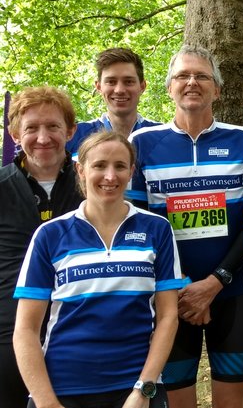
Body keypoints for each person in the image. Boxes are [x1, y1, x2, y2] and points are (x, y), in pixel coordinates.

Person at [127, 46, 243, 408]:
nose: (192, 82)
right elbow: (139, 228)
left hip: (232, 290)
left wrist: (214, 283)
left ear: (217, 90)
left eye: (202, 76)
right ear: (169, 87)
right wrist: (186, 288)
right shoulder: (142, 144)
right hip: (171, 296)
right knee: (178, 402)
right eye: (183, 76)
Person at [13, 131, 186, 408]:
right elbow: (25, 329)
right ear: (80, 170)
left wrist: (143, 390)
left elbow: (168, 317)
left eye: (119, 166)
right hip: (62, 389)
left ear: (131, 172)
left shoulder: (157, 229)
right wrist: (47, 402)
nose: (110, 176)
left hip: (134, 388)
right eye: (99, 165)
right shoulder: (50, 234)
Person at [0, 87, 85, 408]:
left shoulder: (92, 184)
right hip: (8, 332)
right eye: (31, 128)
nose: (43, 137)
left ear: (71, 130)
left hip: (76, 328)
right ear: (15, 134)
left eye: (52, 126)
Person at [66, 47, 160, 159]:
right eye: (111, 82)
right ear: (99, 87)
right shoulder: (73, 137)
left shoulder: (162, 136)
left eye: (128, 82)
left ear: (142, 86)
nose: (119, 90)